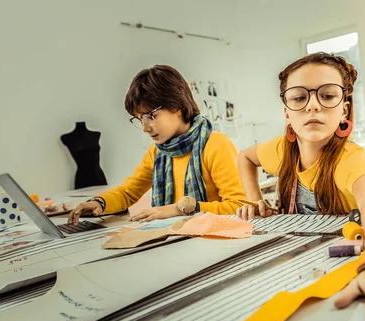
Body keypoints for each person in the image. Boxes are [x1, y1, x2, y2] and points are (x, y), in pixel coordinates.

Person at [236, 53, 365, 321]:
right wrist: (255, 201)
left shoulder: (351, 159)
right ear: (286, 111)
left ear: (344, 110)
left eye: (327, 96)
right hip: (302, 267)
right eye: (299, 98)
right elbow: (245, 158)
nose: (313, 106)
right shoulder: (280, 151)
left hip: (350, 268)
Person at [68, 65, 246, 225]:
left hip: (210, 239)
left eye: (150, 116)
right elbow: (128, 192)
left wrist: (178, 209)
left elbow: (239, 206)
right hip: (175, 238)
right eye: (139, 119)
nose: (145, 127)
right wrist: (98, 203)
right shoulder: (158, 151)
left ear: (176, 106)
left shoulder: (215, 144)